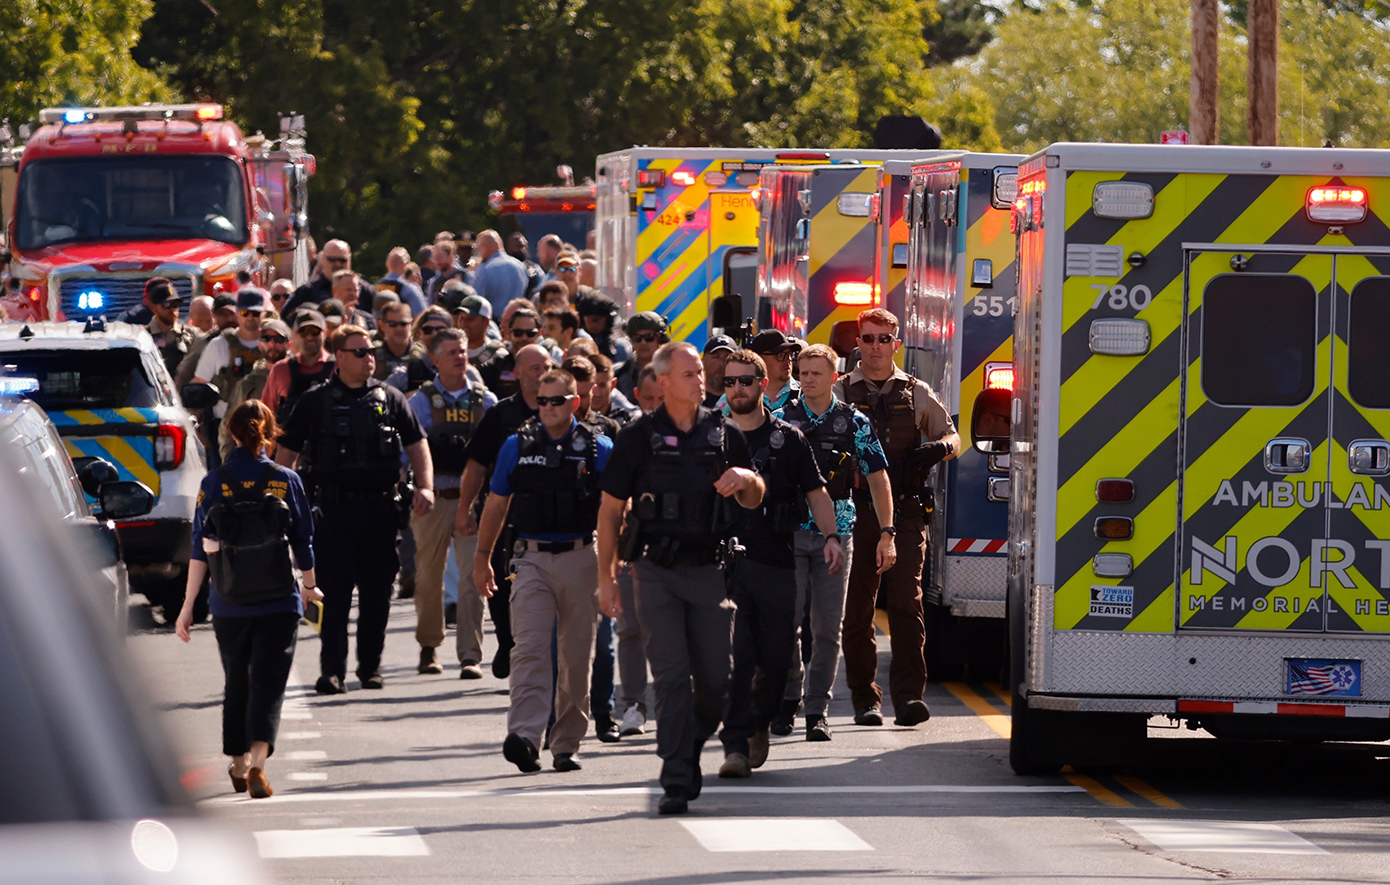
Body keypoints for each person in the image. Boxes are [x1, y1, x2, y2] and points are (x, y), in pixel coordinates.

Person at [596, 341, 765, 815]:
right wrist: (606, 579)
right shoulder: (638, 436)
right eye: (690, 373)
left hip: (710, 570)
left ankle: (688, 743)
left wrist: (746, 480)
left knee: (716, 679)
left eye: (699, 373)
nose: (701, 379)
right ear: (664, 382)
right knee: (670, 677)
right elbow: (610, 512)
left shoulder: (723, 432)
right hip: (655, 572)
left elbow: (755, 495)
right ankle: (674, 776)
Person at [174, 400, 321, 800]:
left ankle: (237, 761)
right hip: (278, 601)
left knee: (236, 681)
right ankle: (258, 762)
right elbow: (303, 540)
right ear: (270, 433)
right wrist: (309, 586)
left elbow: (200, 550)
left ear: (231, 433)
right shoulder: (286, 479)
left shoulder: (213, 482)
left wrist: (188, 607)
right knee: (269, 684)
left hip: (228, 603)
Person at [276, 325, 434, 694]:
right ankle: (332, 670)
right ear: (340, 357)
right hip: (332, 512)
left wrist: (424, 486)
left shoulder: (391, 398)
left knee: (378, 594)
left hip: (380, 511)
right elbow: (287, 455)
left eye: (370, 352)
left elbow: (417, 445)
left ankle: (370, 667)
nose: (369, 359)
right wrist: (284, 502)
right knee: (332, 595)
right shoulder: (315, 401)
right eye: (360, 352)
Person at [475, 368, 612, 773]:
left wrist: (614, 565)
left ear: (574, 402)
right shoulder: (516, 446)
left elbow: (614, 510)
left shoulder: (599, 448)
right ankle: (525, 737)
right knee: (530, 648)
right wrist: (482, 558)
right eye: (542, 400)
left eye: (557, 400)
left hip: (582, 555)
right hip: (530, 557)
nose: (548, 407)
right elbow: (497, 504)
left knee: (574, 655)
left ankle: (566, 743)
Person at [715, 350, 842, 779]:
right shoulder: (712, 437)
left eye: (746, 381)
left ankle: (761, 721)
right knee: (737, 656)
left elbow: (816, 492)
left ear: (763, 384)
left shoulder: (788, 438)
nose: (737, 389)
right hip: (725, 565)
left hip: (775, 562)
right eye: (730, 382)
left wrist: (831, 538)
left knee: (776, 658)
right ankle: (737, 742)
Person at [836, 308, 961, 727]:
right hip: (854, 510)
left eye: (883, 339)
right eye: (868, 338)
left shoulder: (916, 391)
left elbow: (953, 436)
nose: (875, 346)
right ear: (858, 342)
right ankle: (864, 699)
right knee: (857, 610)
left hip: (905, 510)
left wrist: (938, 449)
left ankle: (908, 698)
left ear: (896, 342)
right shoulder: (838, 392)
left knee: (907, 603)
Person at [772, 343, 896, 740]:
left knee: (827, 627)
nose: (808, 380)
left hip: (837, 535)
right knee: (786, 622)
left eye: (816, 373)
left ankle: (817, 710)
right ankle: (790, 696)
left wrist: (887, 532)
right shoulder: (779, 419)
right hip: (787, 534)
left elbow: (878, 478)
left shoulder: (854, 422)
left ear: (834, 378)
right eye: (803, 373)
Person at [455, 345, 554, 679]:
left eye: (547, 366)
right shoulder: (500, 414)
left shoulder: (559, 412)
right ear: (518, 373)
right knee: (501, 587)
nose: (542, 372)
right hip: (504, 519)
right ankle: (507, 639)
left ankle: (528, 648)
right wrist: (464, 510)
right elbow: (477, 465)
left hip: (548, 519)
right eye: (535, 367)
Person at [406, 329, 497, 677]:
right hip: (435, 498)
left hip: (472, 501)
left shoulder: (484, 400)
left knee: (475, 576)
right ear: (435, 360)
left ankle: (470, 655)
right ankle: (429, 646)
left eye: (463, 351)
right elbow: (411, 447)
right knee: (429, 576)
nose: (460, 357)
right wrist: (415, 486)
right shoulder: (421, 401)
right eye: (452, 352)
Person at [563, 355, 622, 742]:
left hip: (597, 542)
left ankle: (603, 712)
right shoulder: (536, 432)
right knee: (559, 643)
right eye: (578, 394)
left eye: (590, 392)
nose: (586, 400)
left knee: (603, 641)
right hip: (552, 545)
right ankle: (560, 716)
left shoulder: (608, 432)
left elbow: (620, 496)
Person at [217, 318, 291, 461]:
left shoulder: (299, 376)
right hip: (256, 464)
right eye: (267, 338)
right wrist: (230, 464)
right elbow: (229, 427)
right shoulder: (247, 384)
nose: (272, 344)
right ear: (259, 344)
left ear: (289, 344)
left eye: (278, 339)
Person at [261, 310, 335, 426]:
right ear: (294, 335)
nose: (310, 337)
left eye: (315, 331)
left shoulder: (339, 367)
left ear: (325, 333)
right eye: (303, 332)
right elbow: (266, 415)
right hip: (288, 442)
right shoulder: (280, 370)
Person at [284, 239, 375, 318]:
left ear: (350, 260)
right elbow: (286, 322)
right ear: (322, 259)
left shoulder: (365, 291)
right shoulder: (306, 292)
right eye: (332, 260)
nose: (338, 264)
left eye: (342, 260)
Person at [478, 307, 544, 399]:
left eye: (530, 333)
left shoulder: (550, 368)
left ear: (539, 333)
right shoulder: (492, 369)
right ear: (510, 333)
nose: (524, 338)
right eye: (518, 333)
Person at [142, 277, 200, 378]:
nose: (172, 310)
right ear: (154, 308)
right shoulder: (143, 337)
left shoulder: (192, 335)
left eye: (176, 305)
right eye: (166, 304)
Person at [471, 230, 530, 322]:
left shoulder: (484, 269)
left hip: (495, 322)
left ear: (483, 247)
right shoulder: (520, 265)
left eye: (478, 249)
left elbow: (477, 300)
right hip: (518, 320)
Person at [616, 312, 668, 400]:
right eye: (637, 338)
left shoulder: (674, 371)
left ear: (660, 338)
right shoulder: (619, 373)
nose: (643, 342)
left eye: (649, 337)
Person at [376, 246, 429, 316]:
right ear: (405, 265)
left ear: (387, 265)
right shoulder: (409, 289)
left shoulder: (376, 286)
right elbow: (422, 315)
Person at [590, 353, 639, 425]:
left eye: (602, 385)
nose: (597, 393)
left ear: (613, 384)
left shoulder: (627, 420)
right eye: (592, 386)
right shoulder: (571, 418)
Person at [701, 335, 735, 409]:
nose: (722, 363)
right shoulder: (691, 400)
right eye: (716, 357)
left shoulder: (742, 401)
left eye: (727, 358)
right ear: (702, 362)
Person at [506, 232, 543, 298]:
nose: (522, 250)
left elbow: (538, 285)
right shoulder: (504, 267)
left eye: (525, 246)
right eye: (519, 246)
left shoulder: (533, 268)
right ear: (510, 248)